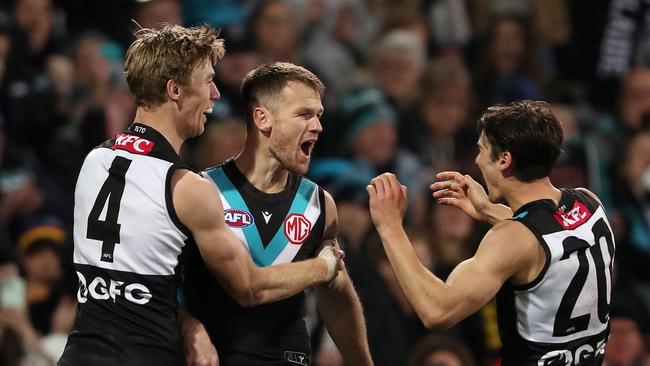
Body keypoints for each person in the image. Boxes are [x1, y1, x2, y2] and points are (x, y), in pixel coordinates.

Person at [57, 25, 344, 366]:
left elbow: (125, 286)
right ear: (175, 89)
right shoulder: (187, 187)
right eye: (207, 80)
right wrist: (324, 267)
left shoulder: (94, 161)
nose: (216, 94)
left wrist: (189, 324)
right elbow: (249, 287)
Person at [367, 100, 616, 365]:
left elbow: (437, 310)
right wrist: (488, 210)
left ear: (504, 160)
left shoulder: (511, 239)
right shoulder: (589, 203)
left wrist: (390, 227)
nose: (477, 160)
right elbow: (547, 237)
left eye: (482, 150)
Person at [183, 62, 373, 366]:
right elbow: (160, 286)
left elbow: (336, 294)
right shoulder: (202, 191)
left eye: (319, 116)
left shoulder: (320, 205)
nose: (317, 126)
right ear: (263, 119)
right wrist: (188, 325)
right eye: (304, 114)